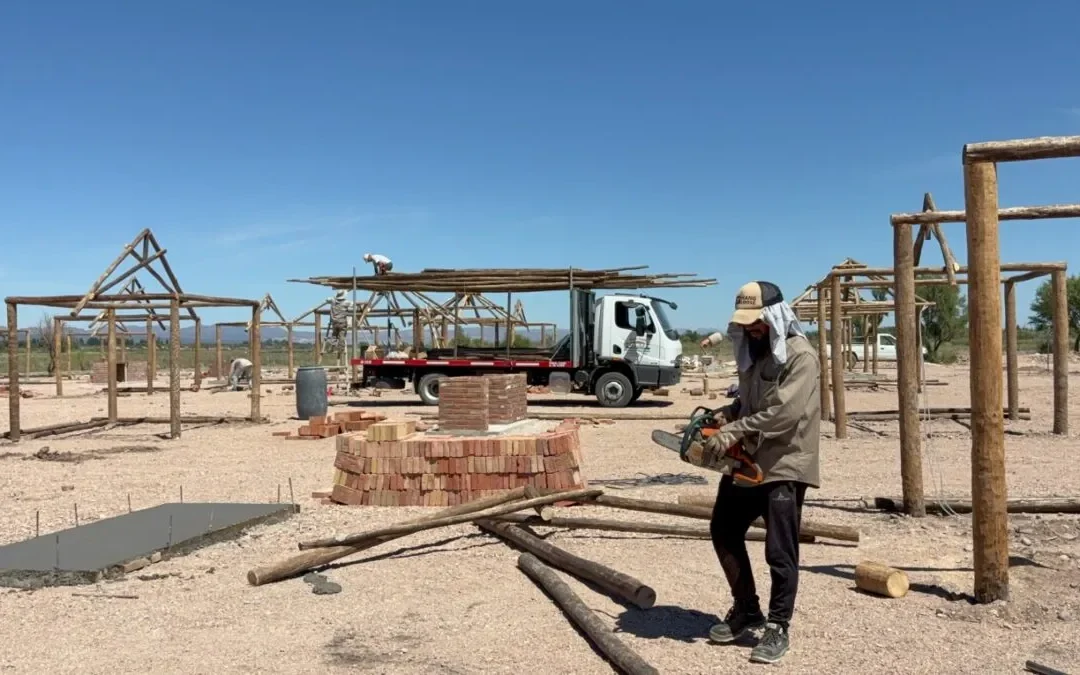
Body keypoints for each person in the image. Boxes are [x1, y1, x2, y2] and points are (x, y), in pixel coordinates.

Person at [700, 280, 820, 664]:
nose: (751, 330)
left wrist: (734, 430)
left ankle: (778, 626)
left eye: (757, 323)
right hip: (748, 461)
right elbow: (751, 404)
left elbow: (785, 413)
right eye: (747, 324)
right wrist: (727, 414)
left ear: (774, 318)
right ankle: (746, 607)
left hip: (783, 463)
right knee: (723, 528)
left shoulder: (800, 356)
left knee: (780, 551)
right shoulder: (753, 356)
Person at [324, 290, 354, 362]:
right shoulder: (346, 302)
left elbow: (327, 299)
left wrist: (334, 297)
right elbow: (352, 305)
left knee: (334, 335)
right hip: (342, 322)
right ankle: (341, 349)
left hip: (334, 322)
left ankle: (332, 347)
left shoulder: (333, 301)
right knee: (342, 336)